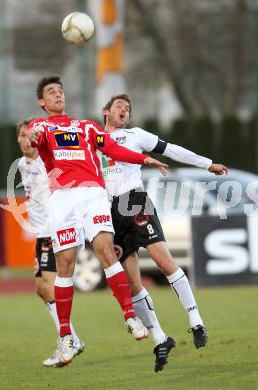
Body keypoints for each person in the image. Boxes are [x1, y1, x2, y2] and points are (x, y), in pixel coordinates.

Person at [26, 75, 169, 365]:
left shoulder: (86, 126)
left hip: (92, 194)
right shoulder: (41, 126)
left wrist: (144, 159)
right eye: (51, 92)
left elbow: (112, 148)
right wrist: (32, 138)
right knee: (65, 266)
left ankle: (130, 317)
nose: (58, 94)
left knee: (106, 249)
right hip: (63, 199)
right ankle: (65, 336)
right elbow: (35, 137)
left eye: (61, 90)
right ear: (42, 101)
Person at [100, 94, 228, 369]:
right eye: (119, 106)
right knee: (132, 282)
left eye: (128, 109)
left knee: (163, 259)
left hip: (133, 200)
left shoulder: (135, 135)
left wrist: (207, 163)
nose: (124, 111)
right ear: (106, 111)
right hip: (108, 212)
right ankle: (160, 339)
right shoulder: (93, 139)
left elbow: (172, 149)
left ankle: (196, 321)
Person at [17, 118, 84, 368]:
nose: (24, 140)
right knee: (41, 289)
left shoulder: (49, 161)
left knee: (49, 286)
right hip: (40, 232)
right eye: (21, 136)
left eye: (27, 135)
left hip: (53, 229)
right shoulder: (23, 165)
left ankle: (68, 339)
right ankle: (72, 338)